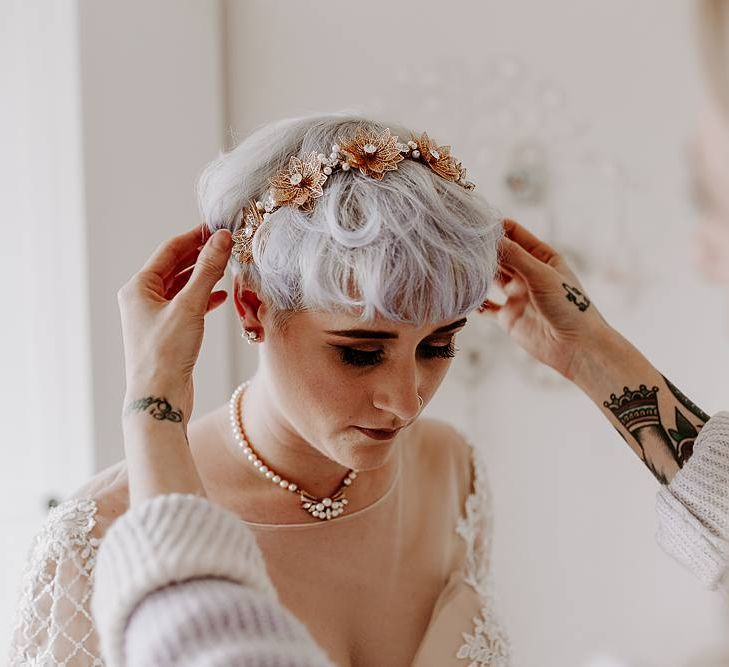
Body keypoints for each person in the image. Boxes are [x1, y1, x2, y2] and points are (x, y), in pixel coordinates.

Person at [8, 114, 729, 667]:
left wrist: (592, 353)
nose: (407, 399)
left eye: (439, 344)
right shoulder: (98, 535)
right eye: (358, 352)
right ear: (254, 309)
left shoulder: (452, 468)